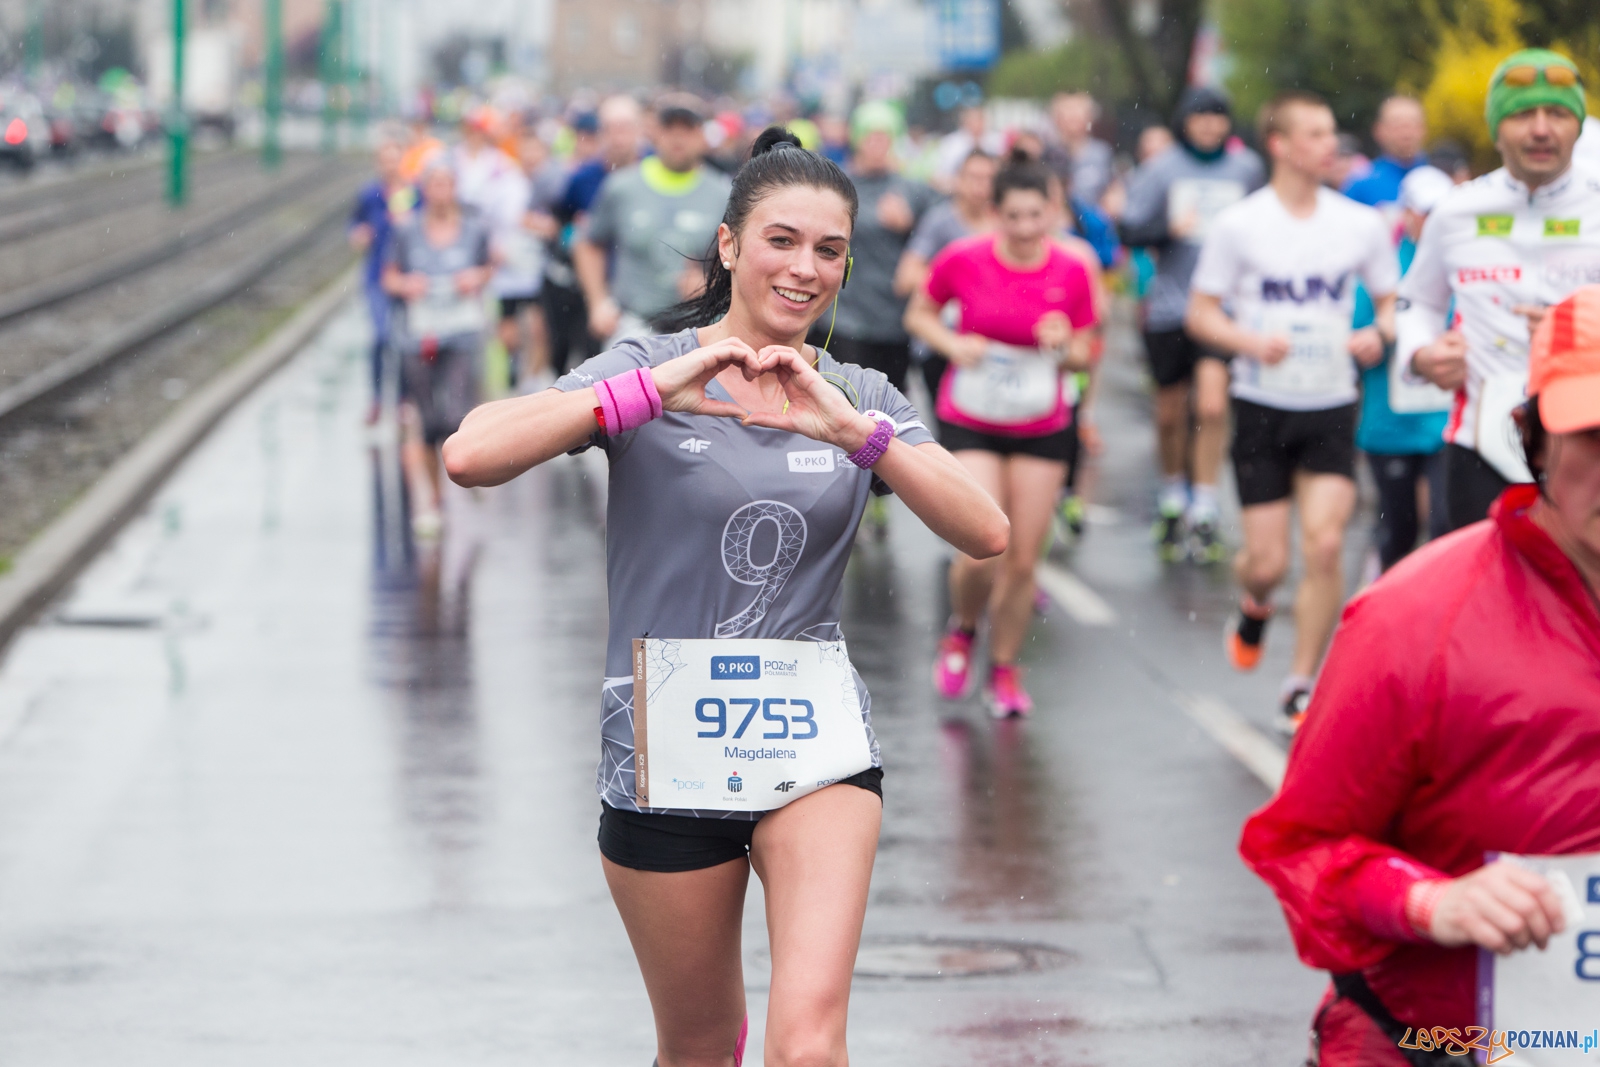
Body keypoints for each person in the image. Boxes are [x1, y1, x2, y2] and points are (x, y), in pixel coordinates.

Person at [440, 127, 1008, 1067]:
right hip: (667, 752)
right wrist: (645, 392)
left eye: (830, 250)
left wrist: (856, 434)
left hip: (811, 742)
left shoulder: (858, 391)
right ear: (731, 246)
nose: (806, 268)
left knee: (808, 1047)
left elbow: (984, 529)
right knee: (701, 1048)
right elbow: (469, 454)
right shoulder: (646, 370)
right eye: (782, 240)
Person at [1238, 284, 1600, 1065]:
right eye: (1595, 435)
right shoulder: (1416, 617)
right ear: (1532, 440)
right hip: (1437, 1042)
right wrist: (1435, 899)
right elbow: (1301, 849)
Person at [1185, 90, 1399, 728]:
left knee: (1327, 544)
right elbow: (1202, 312)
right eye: (1314, 134)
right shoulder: (1240, 225)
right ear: (1279, 145)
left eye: (1331, 133)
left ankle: (1301, 681)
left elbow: (1394, 301)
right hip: (1262, 404)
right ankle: (1255, 604)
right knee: (1269, 562)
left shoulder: (1358, 224)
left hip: (1331, 401)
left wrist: (1378, 334)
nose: (1329, 145)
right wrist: (1248, 341)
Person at [906, 152, 1098, 718]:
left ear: (1052, 212)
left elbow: (1086, 352)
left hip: (1041, 421)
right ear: (995, 213)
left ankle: (1005, 668)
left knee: (1022, 563)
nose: (1023, 228)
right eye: (1012, 216)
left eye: (1034, 216)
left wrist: (1065, 345)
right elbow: (918, 314)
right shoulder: (962, 258)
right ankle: (964, 628)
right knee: (982, 551)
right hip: (973, 417)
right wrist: (951, 345)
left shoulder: (1072, 268)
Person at [1399, 49, 1600, 530]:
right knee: (1488, 596)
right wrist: (1421, 354)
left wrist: (1581, 331)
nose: (1540, 129)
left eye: (1556, 112)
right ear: (1495, 129)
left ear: (1577, 125)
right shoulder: (1455, 211)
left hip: (1587, 442)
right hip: (1479, 444)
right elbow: (1416, 301)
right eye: (1522, 114)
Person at [1120, 87, 1265, 562]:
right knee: (1168, 413)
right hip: (1169, 306)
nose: (1209, 127)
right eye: (1200, 118)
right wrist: (1167, 231)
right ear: (1185, 122)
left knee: (1212, 406)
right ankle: (1172, 495)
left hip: (1223, 310)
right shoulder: (1161, 168)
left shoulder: (1246, 170)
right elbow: (1129, 229)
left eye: (1217, 118)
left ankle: (1203, 505)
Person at [382, 161, 494, 539]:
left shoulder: (474, 229)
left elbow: (489, 266)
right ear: (424, 190)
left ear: (455, 188)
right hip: (420, 333)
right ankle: (434, 497)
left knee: (455, 415)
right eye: (434, 185)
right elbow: (389, 276)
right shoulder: (407, 230)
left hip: (461, 331)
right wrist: (406, 285)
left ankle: (468, 473)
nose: (441, 192)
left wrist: (475, 278)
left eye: (447, 184)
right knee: (427, 421)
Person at [1355, 166, 1455, 575]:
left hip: (1447, 422)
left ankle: (1440, 626)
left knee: (1446, 528)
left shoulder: (1468, 263)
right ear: (1408, 214)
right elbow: (1357, 339)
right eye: (1423, 212)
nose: (1430, 222)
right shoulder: (1385, 267)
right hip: (1390, 421)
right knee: (1399, 531)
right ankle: (1384, 614)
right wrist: (1379, 336)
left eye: (1440, 212)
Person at [575, 94, 731, 345]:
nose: (678, 138)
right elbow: (588, 243)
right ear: (655, 133)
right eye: (670, 128)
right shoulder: (622, 186)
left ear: (702, 136)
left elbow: (741, 261)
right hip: (633, 326)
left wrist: (714, 286)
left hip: (698, 330)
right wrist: (597, 302)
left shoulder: (723, 194)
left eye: (687, 129)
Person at [894, 149, 998, 404]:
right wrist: (956, 288)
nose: (980, 187)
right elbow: (906, 276)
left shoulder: (1006, 223)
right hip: (941, 344)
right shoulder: (940, 221)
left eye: (988, 178)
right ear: (958, 180)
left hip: (992, 345)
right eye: (974, 177)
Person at [453, 107, 536, 388]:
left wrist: (501, 244)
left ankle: (500, 380)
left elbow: (513, 210)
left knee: (498, 320)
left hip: (494, 256)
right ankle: (469, 378)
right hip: (460, 252)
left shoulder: (502, 166)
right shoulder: (453, 160)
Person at [349, 136, 412, 423]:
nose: (390, 165)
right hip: (377, 275)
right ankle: (376, 399)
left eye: (394, 158)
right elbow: (355, 225)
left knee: (404, 339)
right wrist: (359, 235)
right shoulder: (369, 194)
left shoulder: (414, 193)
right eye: (385, 159)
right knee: (380, 336)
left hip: (406, 277)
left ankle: (402, 399)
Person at [1342, 95, 1432, 209]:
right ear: (1378, 130)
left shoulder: (1441, 178)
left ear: (1424, 129)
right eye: (1396, 124)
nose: (1406, 132)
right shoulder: (1361, 184)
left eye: (1413, 123)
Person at [1044, 92, 1114, 207]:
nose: (1072, 117)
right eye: (1067, 113)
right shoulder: (1047, 152)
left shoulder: (1101, 153)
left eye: (1077, 114)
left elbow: (1111, 189)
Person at [933, 104, 1003, 190]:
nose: (978, 123)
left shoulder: (996, 141)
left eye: (980, 119)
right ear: (965, 122)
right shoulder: (951, 144)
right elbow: (940, 174)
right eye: (974, 120)